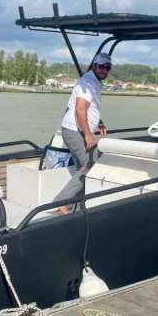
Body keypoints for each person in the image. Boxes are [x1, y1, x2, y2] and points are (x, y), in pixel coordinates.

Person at [53, 52, 112, 214]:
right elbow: (80, 109)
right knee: (90, 165)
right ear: (94, 65)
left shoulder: (94, 82)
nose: (104, 71)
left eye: (107, 68)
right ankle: (61, 201)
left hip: (71, 130)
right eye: (101, 67)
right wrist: (88, 135)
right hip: (75, 132)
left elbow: (90, 108)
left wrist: (99, 122)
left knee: (81, 166)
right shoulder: (88, 83)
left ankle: (78, 204)